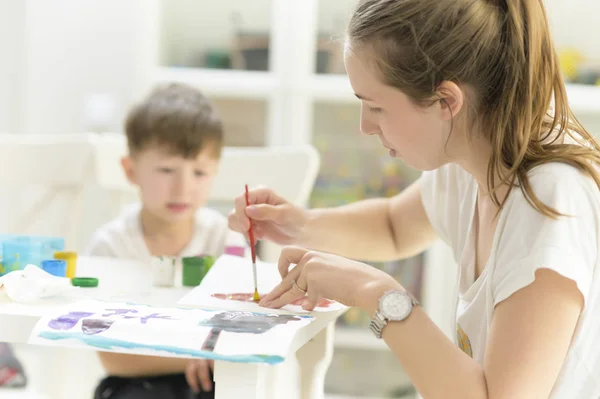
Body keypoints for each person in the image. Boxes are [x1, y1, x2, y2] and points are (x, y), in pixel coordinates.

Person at [228, 0, 600, 397]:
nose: (365, 126)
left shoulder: (549, 205)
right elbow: (393, 226)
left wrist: (376, 294)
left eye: (376, 107)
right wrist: (298, 225)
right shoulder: (476, 152)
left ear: (446, 102)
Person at [86, 82, 248, 399]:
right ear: (130, 170)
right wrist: (192, 355)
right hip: (135, 384)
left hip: (212, 381)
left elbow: (240, 328)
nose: (182, 188)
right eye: (166, 170)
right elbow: (111, 356)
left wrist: (211, 357)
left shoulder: (222, 238)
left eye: (199, 173)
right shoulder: (112, 246)